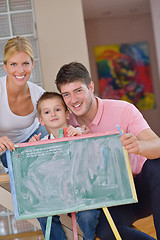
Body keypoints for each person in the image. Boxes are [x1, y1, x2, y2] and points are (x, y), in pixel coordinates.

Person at [54, 61, 160, 240]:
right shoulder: (65, 122)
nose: (73, 100)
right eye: (66, 94)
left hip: (141, 188)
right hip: (110, 198)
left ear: (91, 86)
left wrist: (139, 146)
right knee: (105, 230)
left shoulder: (123, 109)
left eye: (78, 90)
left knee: (157, 165)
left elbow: (157, 144)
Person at [30, 91, 94, 240]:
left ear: (67, 114)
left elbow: (93, 157)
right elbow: (37, 174)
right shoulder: (42, 143)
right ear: (41, 121)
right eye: (47, 112)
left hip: (83, 192)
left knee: (88, 216)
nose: (53, 114)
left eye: (57, 109)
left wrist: (84, 137)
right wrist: (33, 151)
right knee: (44, 214)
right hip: (56, 193)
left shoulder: (79, 132)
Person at [0, 36, 48, 168]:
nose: (20, 70)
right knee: (23, 167)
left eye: (25, 63)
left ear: (32, 64)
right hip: (10, 147)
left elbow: (57, 120)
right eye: (13, 64)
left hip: (36, 135)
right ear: (5, 66)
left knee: (49, 162)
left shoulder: (38, 94)